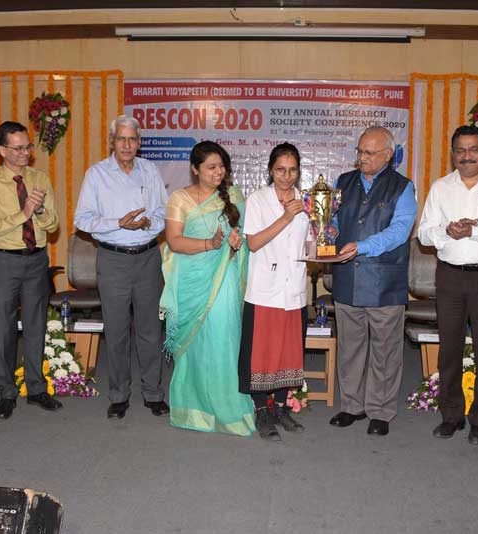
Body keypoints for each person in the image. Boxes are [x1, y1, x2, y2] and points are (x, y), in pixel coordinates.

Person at [417, 125, 478, 445]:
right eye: (460, 150)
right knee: (449, 349)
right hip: (450, 278)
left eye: (473, 149)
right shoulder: (441, 187)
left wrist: (474, 232)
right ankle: (451, 415)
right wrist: (447, 230)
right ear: (453, 153)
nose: (467, 156)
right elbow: (423, 234)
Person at [74, 115, 169, 420]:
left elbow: (164, 212)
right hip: (112, 259)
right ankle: (118, 395)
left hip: (147, 258)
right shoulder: (96, 174)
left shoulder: (150, 170)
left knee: (150, 330)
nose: (127, 145)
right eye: (121, 139)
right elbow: (82, 220)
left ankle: (153, 393)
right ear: (111, 142)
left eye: (132, 139)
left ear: (139, 143)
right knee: (116, 331)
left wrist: (148, 223)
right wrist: (119, 223)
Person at [160, 141, 255, 436]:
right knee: (194, 347)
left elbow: (243, 235)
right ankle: (193, 410)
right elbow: (174, 241)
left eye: (222, 166)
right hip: (190, 281)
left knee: (224, 339)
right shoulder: (179, 198)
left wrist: (236, 240)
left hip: (223, 278)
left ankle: (228, 409)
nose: (218, 172)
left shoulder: (234, 196)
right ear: (195, 169)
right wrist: (209, 244)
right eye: (211, 167)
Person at [330, 126, 417, 437]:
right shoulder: (343, 182)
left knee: (385, 350)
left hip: (384, 281)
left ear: (388, 155)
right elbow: (334, 221)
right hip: (347, 278)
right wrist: (328, 233)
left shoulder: (403, 187)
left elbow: (400, 231)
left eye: (369, 152)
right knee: (350, 348)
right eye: (359, 151)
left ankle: (380, 410)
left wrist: (362, 246)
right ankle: (352, 405)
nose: (362, 157)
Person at [0, 121, 61, 420]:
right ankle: (7, 392)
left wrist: (39, 211)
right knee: (4, 327)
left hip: (36, 259)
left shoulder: (40, 178)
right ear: (2, 150)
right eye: (18, 148)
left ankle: (37, 388)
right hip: (4, 260)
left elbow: (53, 225)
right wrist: (23, 213)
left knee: (37, 324)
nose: (25, 153)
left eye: (27, 147)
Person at [239, 142, 312, 441]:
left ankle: (281, 408)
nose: (286, 176)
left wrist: (325, 238)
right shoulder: (258, 199)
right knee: (261, 355)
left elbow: (309, 243)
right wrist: (285, 217)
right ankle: (261, 411)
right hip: (264, 291)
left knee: (288, 352)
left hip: (294, 290)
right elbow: (253, 243)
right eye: (280, 170)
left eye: (292, 170)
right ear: (271, 170)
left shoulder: (306, 201)